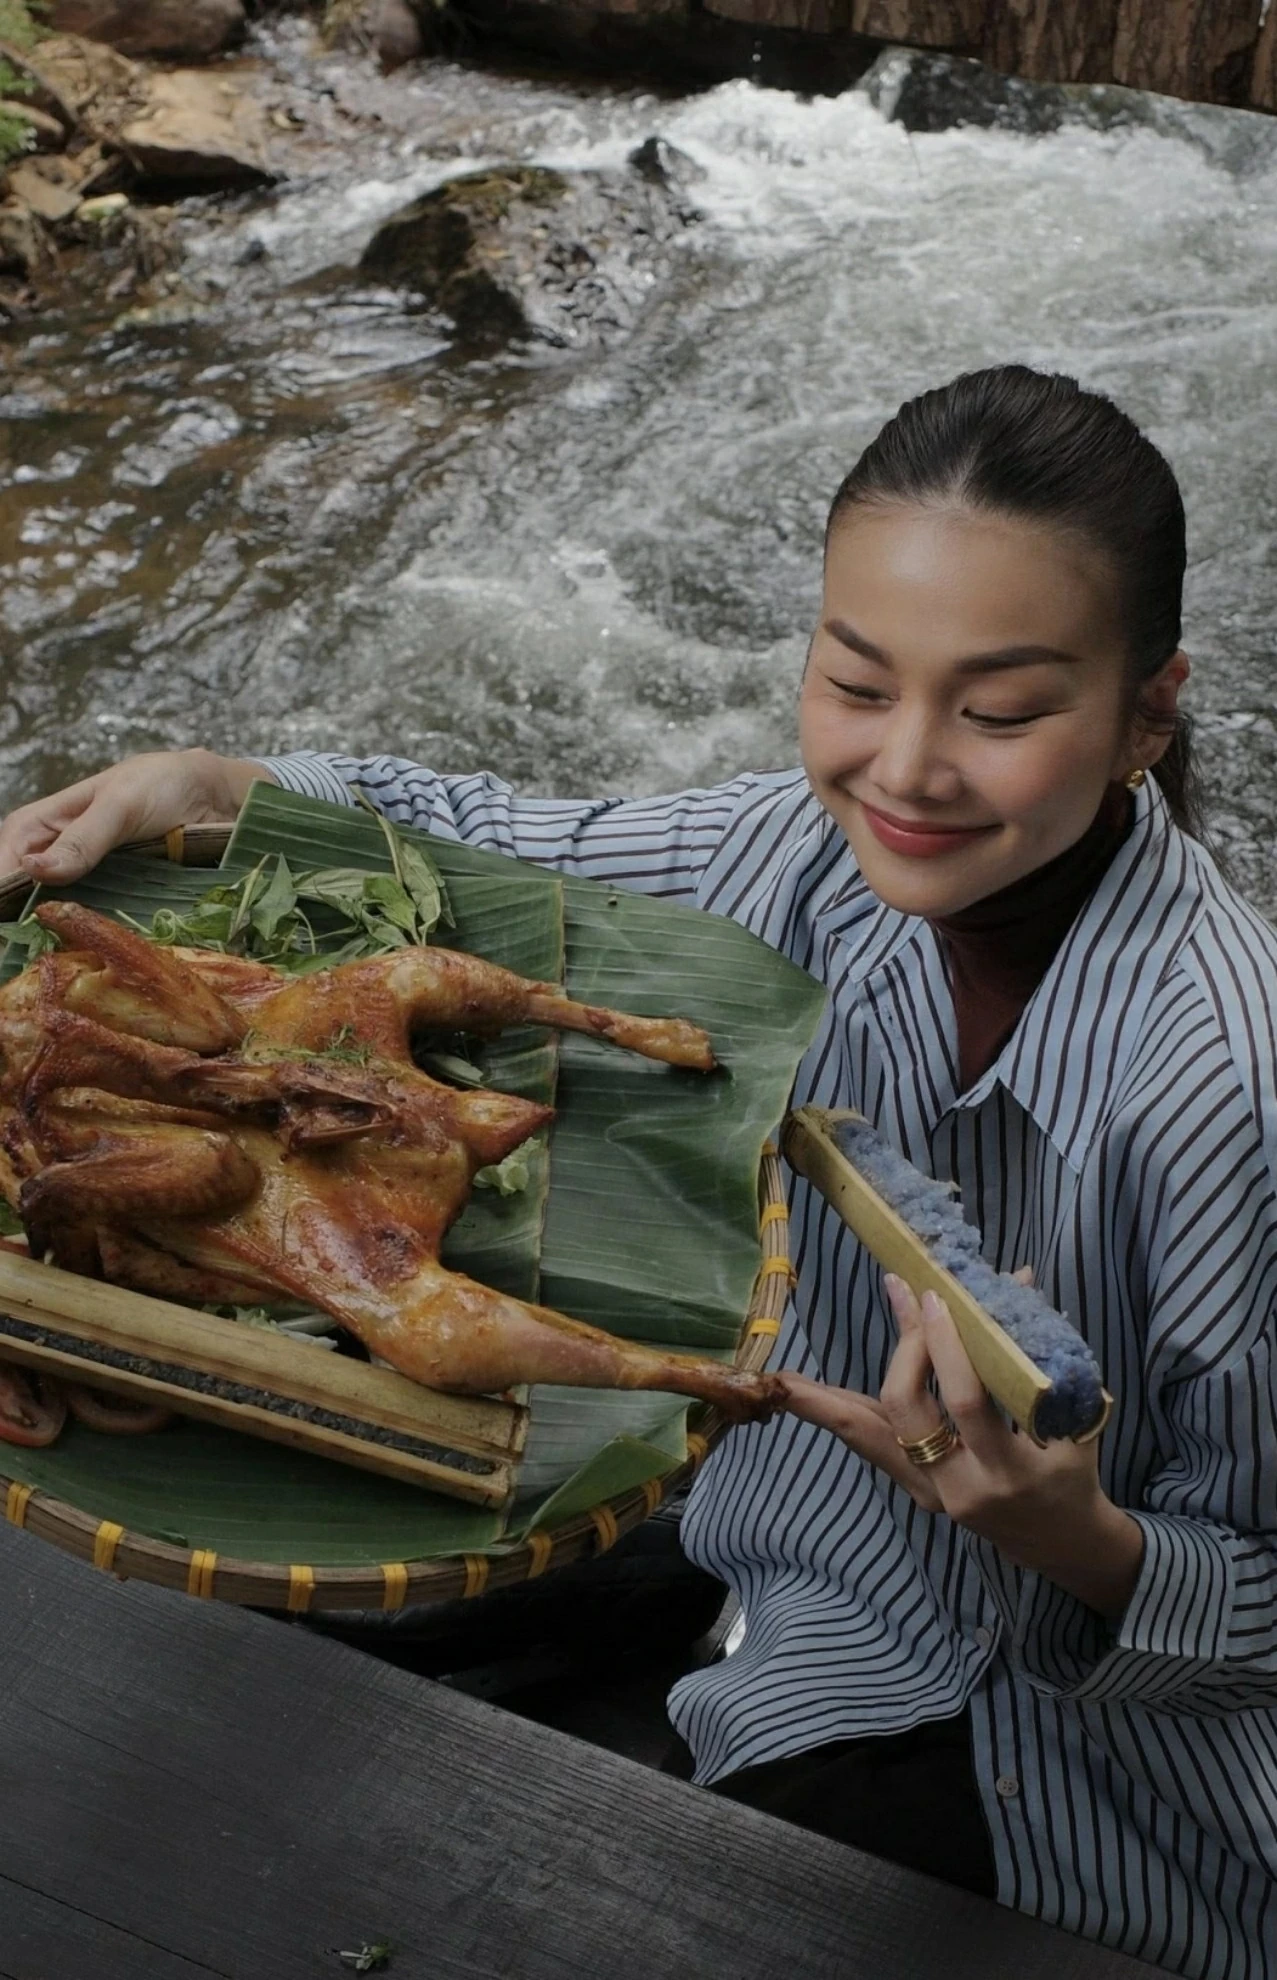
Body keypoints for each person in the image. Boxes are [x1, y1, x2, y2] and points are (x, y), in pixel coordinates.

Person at [3, 365, 1275, 1980]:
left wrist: (1077, 1542)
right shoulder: (792, 855)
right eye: (855, 682)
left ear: (1147, 714)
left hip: (1058, 1779)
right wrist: (219, 786)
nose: (907, 769)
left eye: (1003, 711)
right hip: (763, 1550)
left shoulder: (1226, 1090)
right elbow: (480, 845)